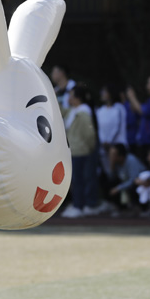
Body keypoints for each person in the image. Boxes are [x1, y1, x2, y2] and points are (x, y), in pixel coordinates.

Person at [60, 85, 102, 219]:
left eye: (71, 95)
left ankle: (80, 206)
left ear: (78, 98)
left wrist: (88, 148)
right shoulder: (73, 111)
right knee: (76, 179)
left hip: (80, 150)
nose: (69, 98)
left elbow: (89, 134)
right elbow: (60, 110)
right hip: (74, 150)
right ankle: (78, 204)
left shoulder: (83, 112)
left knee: (79, 179)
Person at [126, 74, 150, 159]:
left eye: (149, 83)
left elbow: (143, 111)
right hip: (145, 141)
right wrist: (132, 100)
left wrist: (132, 97)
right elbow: (137, 111)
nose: (147, 86)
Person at [105, 143, 145, 213]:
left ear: (121, 156)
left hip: (140, 182)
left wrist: (119, 188)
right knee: (109, 184)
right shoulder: (115, 163)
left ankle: (140, 207)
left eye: (113, 155)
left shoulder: (131, 160)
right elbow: (111, 178)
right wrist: (112, 165)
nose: (110, 157)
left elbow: (134, 180)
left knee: (133, 187)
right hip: (125, 182)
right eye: (110, 154)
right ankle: (121, 208)